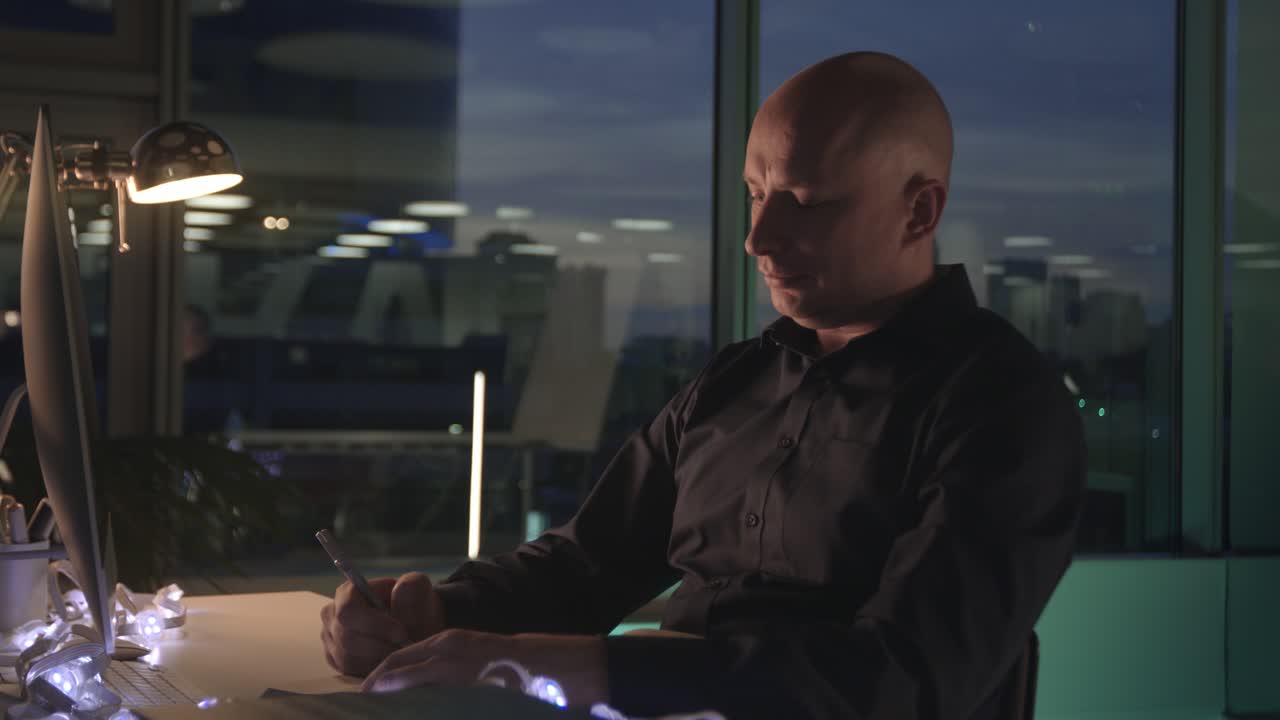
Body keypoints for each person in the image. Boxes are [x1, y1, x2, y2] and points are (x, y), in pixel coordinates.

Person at [321, 51, 1086, 720]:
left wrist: (585, 667)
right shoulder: (736, 381)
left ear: (919, 211)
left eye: (807, 201)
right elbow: (587, 565)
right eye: (756, 193)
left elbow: (903, 683)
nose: (759, 237)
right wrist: (434, 614)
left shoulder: (1002, 404)